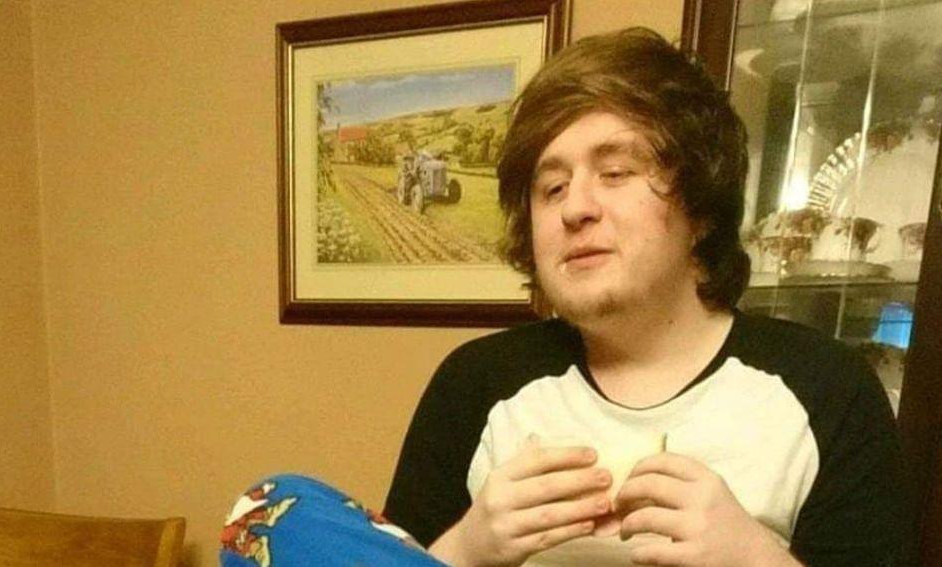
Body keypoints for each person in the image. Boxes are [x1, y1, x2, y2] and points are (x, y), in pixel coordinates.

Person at [382, 27, 909, 567]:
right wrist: (465, 548)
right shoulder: (474, 386)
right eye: (552, 188)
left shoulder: (829, 391)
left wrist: (756, 560)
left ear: (701, 208)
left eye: (615, 173)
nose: (574, 208)